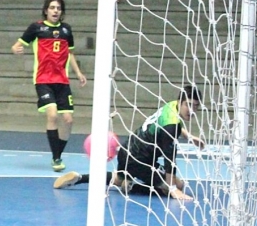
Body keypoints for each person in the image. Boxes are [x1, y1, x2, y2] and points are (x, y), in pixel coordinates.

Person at [54, 85, 204, 201]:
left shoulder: (171, 106)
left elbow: (173, 125)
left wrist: (189, 136)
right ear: (180, 102)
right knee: (179, 185)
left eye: (196, 106)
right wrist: (172, 188)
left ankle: (80, 178)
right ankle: (133, 187)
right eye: (189, 105)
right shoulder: (171, 126)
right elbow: (169, 160)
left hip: (127, 151)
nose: (191, 110)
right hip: (140, 161)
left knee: (118, 178)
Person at [11, 0, 87, 172]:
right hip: (43, 80)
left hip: (62, 81)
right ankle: (56, 158)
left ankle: (57, 153)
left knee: (68, 120)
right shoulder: (36, 28)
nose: (55, 11)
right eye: (52, 8)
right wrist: (17, 49)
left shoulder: (66, 30)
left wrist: (78, 73)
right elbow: (16, 46)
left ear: (62, 12)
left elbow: (70, 53)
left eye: (58, 8)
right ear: (46, 11)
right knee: (52, 115)